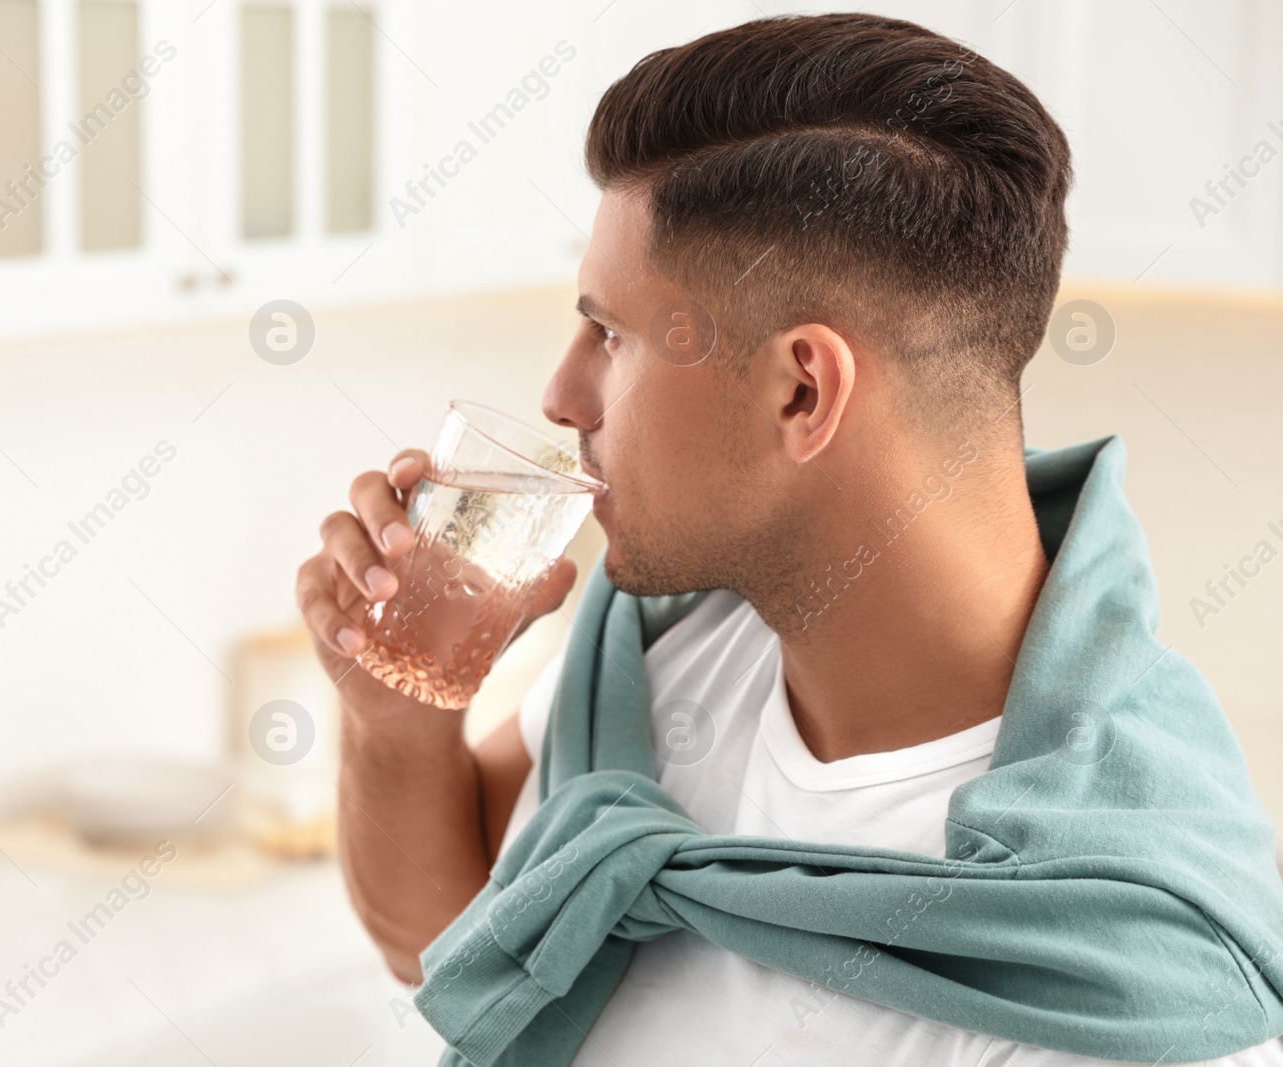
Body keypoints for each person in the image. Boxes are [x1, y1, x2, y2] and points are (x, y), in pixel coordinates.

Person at [295, 13, 1283, 1065]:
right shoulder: (667, 647)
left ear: (801, 390)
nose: (560, 392)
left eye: (612, 334)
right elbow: (450, 936)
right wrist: (395, 724)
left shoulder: (1112, 990)